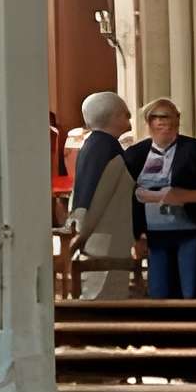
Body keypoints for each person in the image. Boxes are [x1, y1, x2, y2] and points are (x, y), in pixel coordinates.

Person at [124, 98, 196, 300]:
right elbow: (127, 197)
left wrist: (185, 196)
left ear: (177, 119)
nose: (162, 122)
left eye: (167, 116)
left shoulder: (194, 150)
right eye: (156, 117)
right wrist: (136, 236)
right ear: (148, 123)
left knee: (193, 293)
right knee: (159, 294)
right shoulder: (135, 154)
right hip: (155, 237)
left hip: (190, 232)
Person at [64, 90, 135, 298]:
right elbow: (97, 195)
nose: (129, 118)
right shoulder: (105, 147)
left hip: (101, 235)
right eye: (125, 114)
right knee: (103, 297)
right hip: (104, 238)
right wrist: (82, 233)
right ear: (113, 117)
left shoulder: (94, 144)